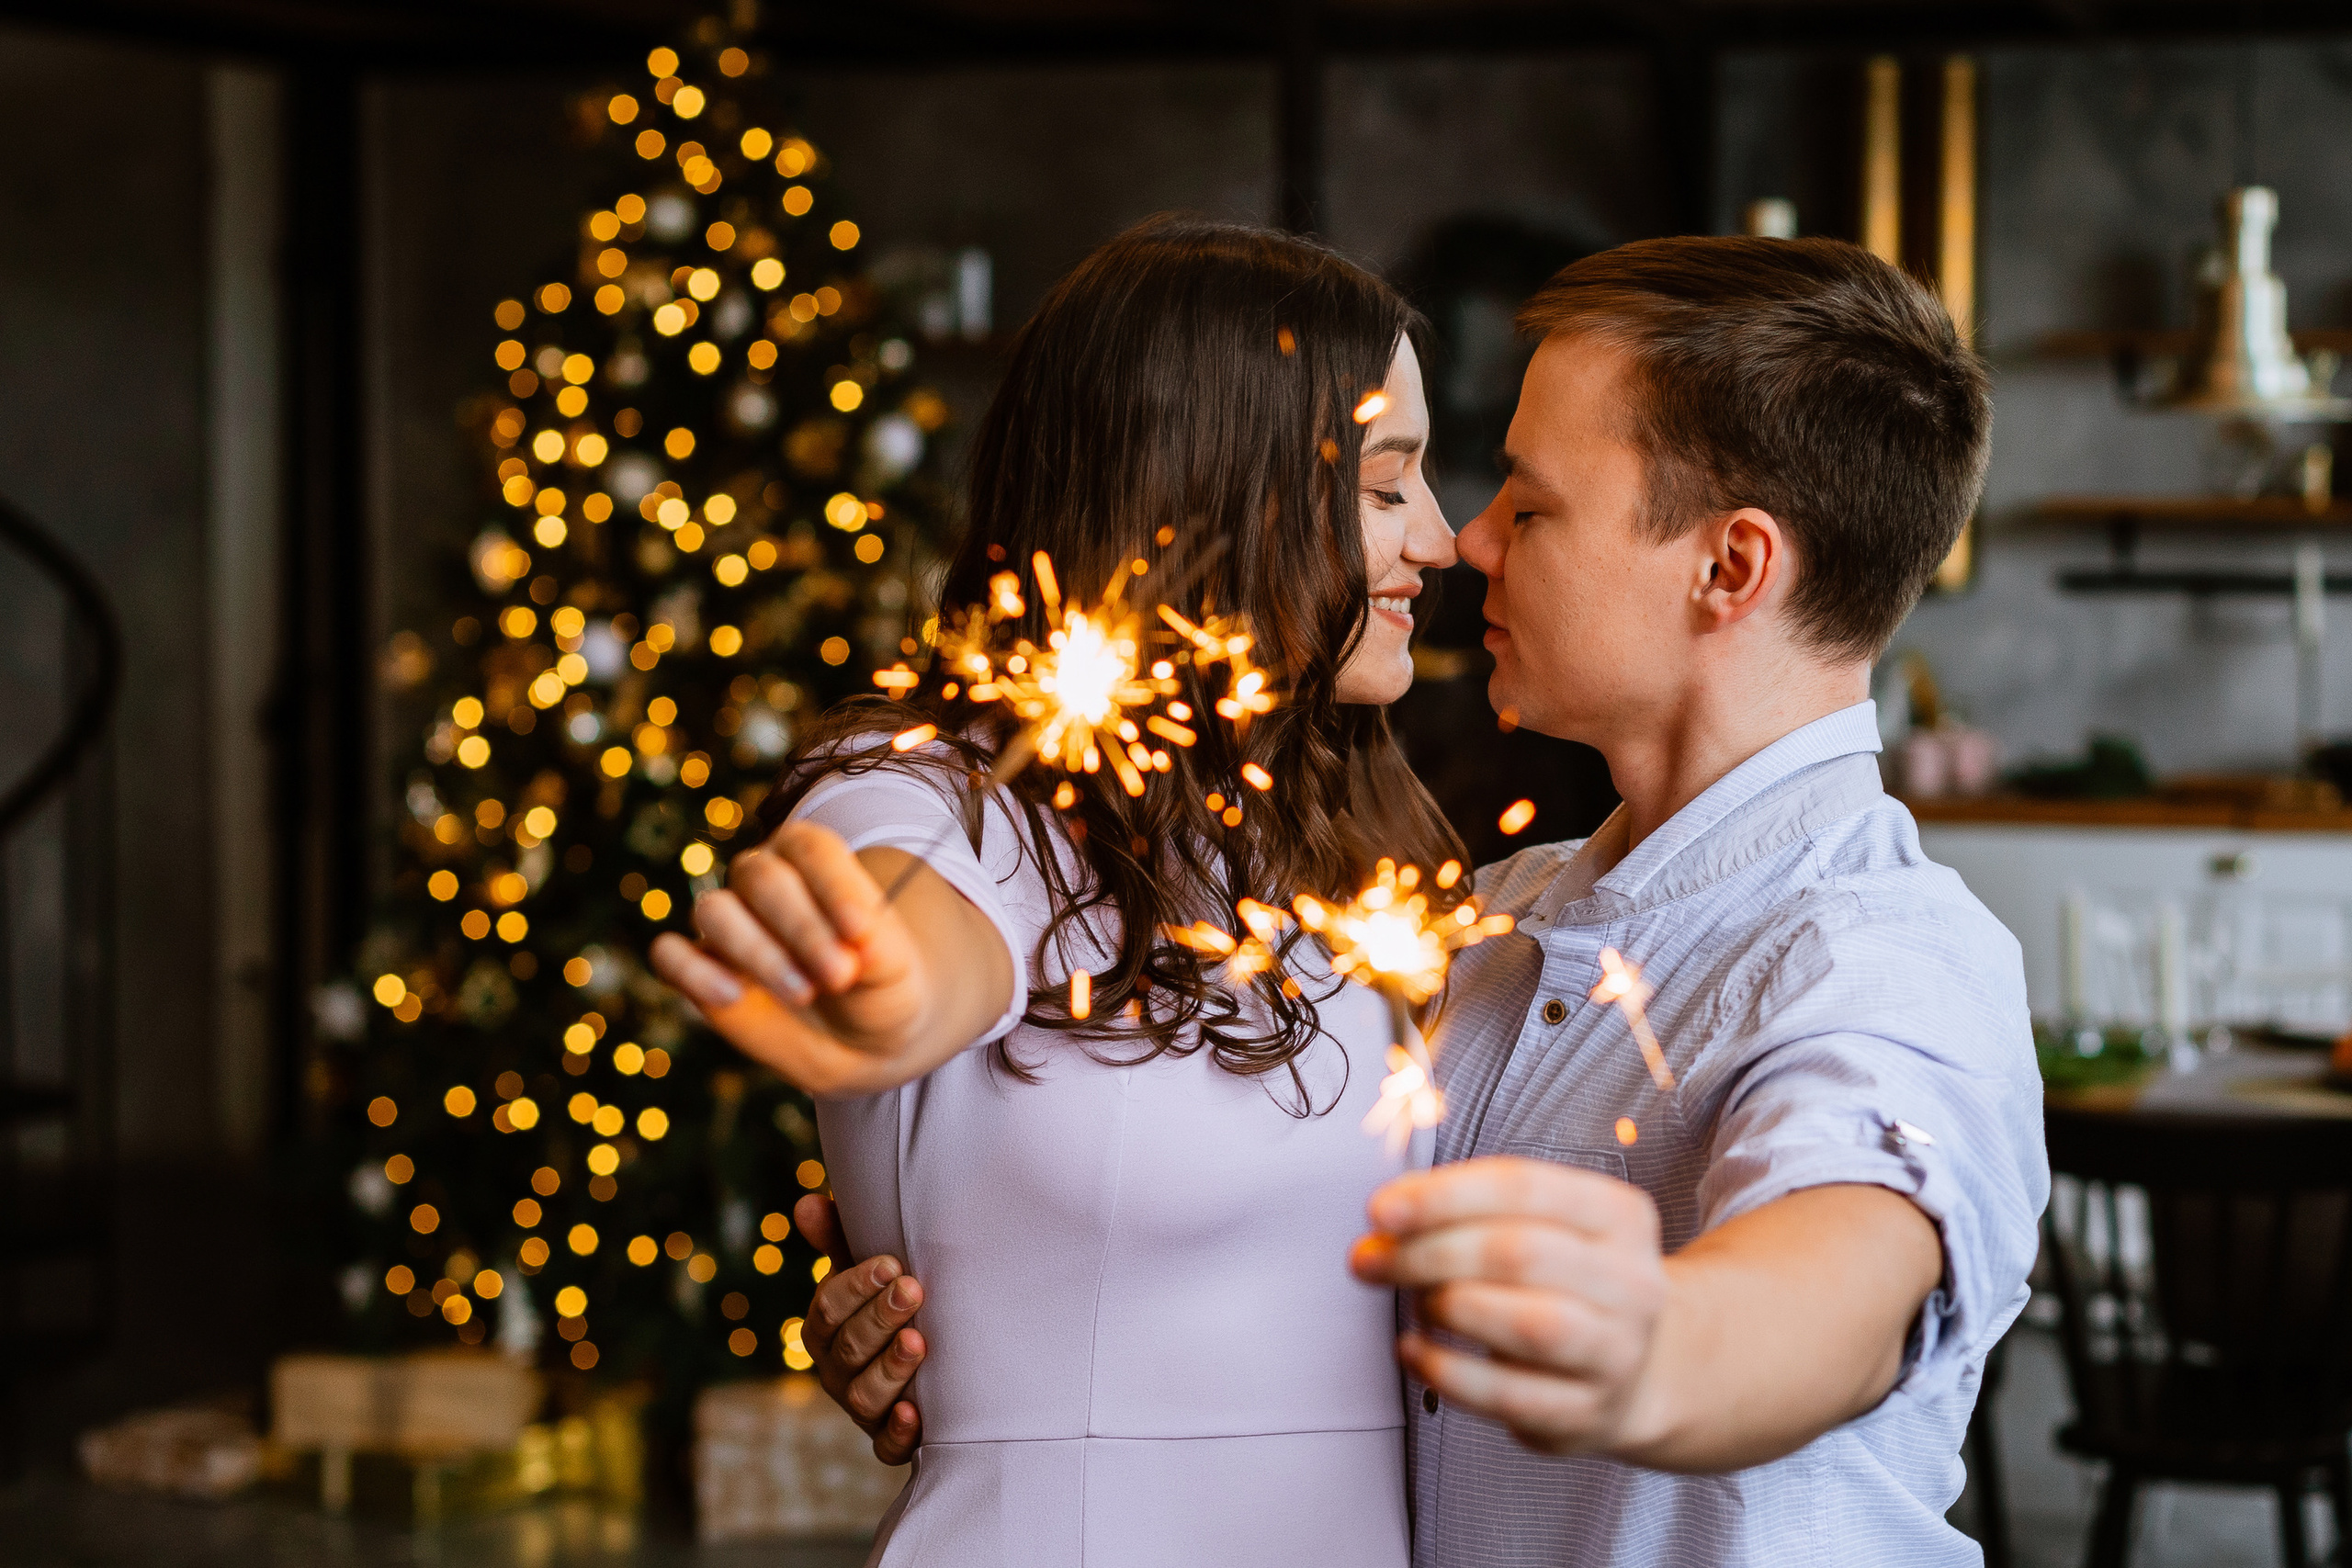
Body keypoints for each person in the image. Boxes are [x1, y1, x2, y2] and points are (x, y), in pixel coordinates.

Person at [802, 236, 2048, 1568]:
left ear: (1729, 569)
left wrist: (1667, 1351)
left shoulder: (1884, 955)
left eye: (1531, 500)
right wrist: (991, 1308)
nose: (1466, 538)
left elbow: (1847, 1276)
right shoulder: (1483, 920)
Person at [650, 216, 1463, 1567]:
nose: (1437, 537)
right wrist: (871, 992)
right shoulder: (954, 795)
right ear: (1219, 492)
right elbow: (916, 938)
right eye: (1388, 488)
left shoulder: (1325, 835)